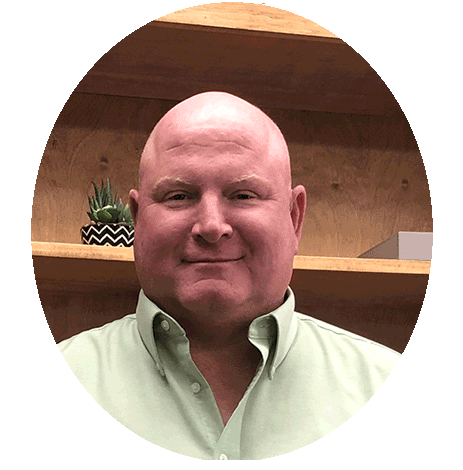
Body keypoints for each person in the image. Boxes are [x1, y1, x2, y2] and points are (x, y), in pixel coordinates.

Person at [58, 91, 400, 460]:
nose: (211, 226)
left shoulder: (378, 380)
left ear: (294, 218)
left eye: (243, 195)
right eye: (178, 196)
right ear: (138, 220)